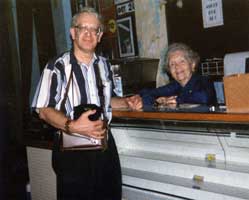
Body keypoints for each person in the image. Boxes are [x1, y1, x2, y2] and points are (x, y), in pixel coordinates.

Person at [32, 7, 139, 200]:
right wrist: (72, 126)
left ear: (100, 36)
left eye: (95, 29)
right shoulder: (57, 66)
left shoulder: (104, 65)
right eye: (83, 28)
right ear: (73, 33)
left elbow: (107, 101)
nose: (89, 34)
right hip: (72, 149)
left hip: (104, 144)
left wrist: (127, 102)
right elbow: (43, 109)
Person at [139, 43, 217, 107]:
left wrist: (177, 100)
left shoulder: (204, 81)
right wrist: (157, 101)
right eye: (172, 64)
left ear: (192, 65)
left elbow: (204, 98)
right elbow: (146, 93)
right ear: (170, 71)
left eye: (182, 61)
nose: (177, 67)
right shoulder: (175, 86)